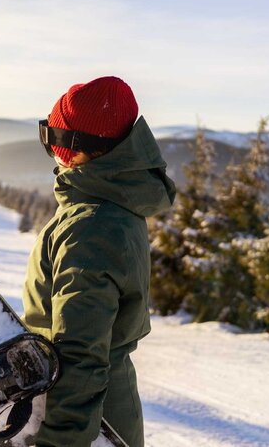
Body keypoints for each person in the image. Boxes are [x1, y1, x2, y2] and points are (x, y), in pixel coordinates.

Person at [22, 76, 176, 447]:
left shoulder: (91, 228)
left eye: (54, 140)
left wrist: (59, 442)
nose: (54, 155)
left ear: (81, 149)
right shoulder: (113, 209)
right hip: (103, 410)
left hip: (87, 424)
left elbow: (80, 354)